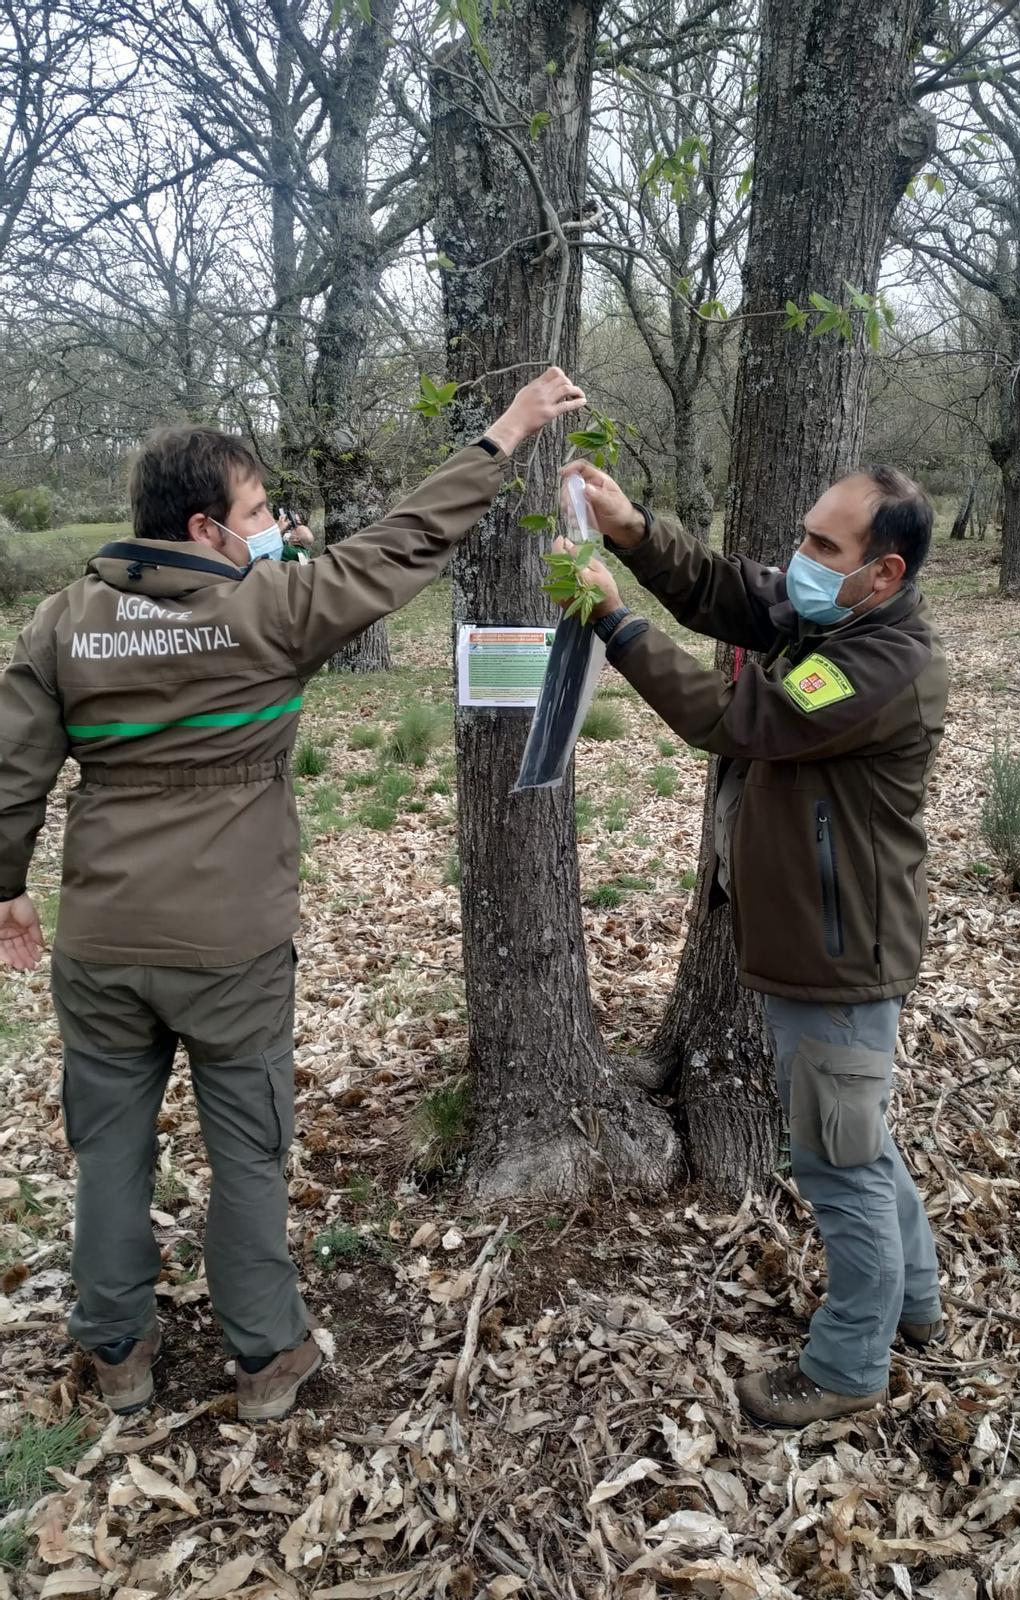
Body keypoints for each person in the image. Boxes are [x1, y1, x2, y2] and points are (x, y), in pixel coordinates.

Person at [0, 367, 586, 1421]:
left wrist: (5, 886)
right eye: (259, 512)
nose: (273, 527)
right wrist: (503, 437)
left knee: (108, 1154)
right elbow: (405, 543)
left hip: (100, 940)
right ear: (203, 526)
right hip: (231, 945)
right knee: (247, 1153)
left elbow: (11, 768)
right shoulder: (271, 610)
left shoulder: (61, 622)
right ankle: (267, 1358)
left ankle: (117, 1356)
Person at [555, 458, 947, 1429]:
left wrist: (616, 623)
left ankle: (852, 1362)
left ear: (884, 573)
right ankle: (916, 1299)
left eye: (824, 546)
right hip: (821, 942)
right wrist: (634, 529)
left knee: (835, 1160)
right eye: (804, 535)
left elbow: (741, 717)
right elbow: (736, 592)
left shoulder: (877, 665)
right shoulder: (834, 618)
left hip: (838, 953)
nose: (798, 560)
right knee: (856, 1136)